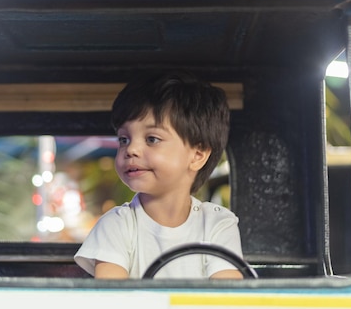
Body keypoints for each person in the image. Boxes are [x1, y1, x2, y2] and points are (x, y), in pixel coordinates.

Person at [74, 71, 243, 279]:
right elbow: (113, 299)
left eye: (152, 139)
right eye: (124, 139)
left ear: (197, 155)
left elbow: (225, 300)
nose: (131, 149)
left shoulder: (218, 223)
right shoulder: (116, 224)